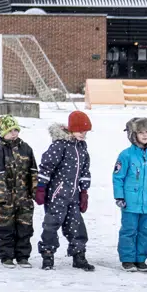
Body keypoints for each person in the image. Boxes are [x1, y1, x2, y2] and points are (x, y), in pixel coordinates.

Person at [36, 111, 93, 271]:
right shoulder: (59, 145)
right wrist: (41, 188)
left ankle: (79, 255)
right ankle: (48, 255)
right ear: (72, 129)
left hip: (73, 195)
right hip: (57, 195)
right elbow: (46, 167)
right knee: (51, 225)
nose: (83, 134)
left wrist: (84, 192)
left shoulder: (82, 147)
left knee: (76, 225)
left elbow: (85, 171)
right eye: (81, 130)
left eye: (86, 132)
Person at [113, 116, 147, 271]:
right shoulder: (126, 155)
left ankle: (140, 259)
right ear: (133, 135)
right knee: (129, 231)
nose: (144, 135)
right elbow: (118, 177)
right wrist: (119, 196)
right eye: (140, 132)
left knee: (145, 232)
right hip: (130, 203)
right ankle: (128, 259)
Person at [0, 114, 37, 267]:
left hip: (24, 197)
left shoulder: (26, 149)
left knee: (25, 227)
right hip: (7, 198)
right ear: (3, 133)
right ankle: (6, 256)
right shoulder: (0, 151)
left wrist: (35, 191)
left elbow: (33, 172)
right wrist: (1, 196)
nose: (14, 133)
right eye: (10, 131)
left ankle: (23, 256)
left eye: (16, 130)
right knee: (6, 227)